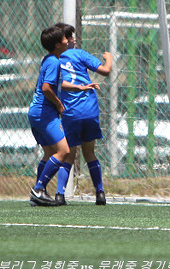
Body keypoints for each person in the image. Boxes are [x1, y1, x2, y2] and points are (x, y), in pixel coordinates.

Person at [54, 22, 112, 206]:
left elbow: (54, 84)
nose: (74, 39)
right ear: (63, 40)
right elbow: (105, 71)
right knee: (90, 153)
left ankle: (59, 194)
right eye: (70, 36)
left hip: (70, 112)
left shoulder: (54, 60)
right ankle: (100, 193)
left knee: (68, 155)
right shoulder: (79, 54)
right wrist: (109, 58)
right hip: (89, 109)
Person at [27, 25, 70, 207]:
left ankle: (39, 194)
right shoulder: (54, 62)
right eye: (64, 39)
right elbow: (46, 88)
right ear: (57, 44)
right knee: (64, 151)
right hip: (45, 113)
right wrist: (59, 104)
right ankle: (38, 188)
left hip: (36, 112)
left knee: (49, 153)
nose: (67, 41)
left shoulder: (49, 59)